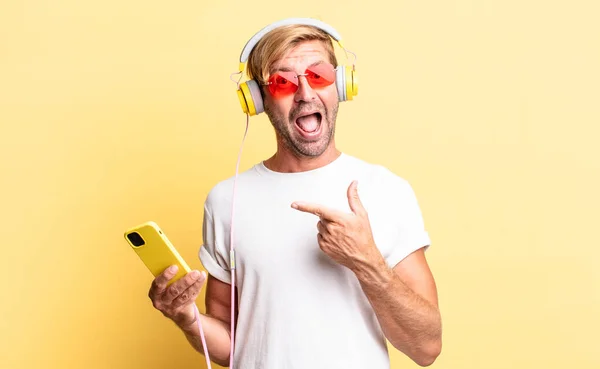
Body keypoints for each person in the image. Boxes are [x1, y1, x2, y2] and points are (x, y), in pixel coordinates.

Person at [147, 18, 442, 369]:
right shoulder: (227, 200)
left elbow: (426, 348)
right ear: (258, 100)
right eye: (282, 81)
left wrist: (367, 261)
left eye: (318, 75)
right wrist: (186, 317)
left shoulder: (386, 190)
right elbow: (231, 344)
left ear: (342, 86)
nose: (305, 93)